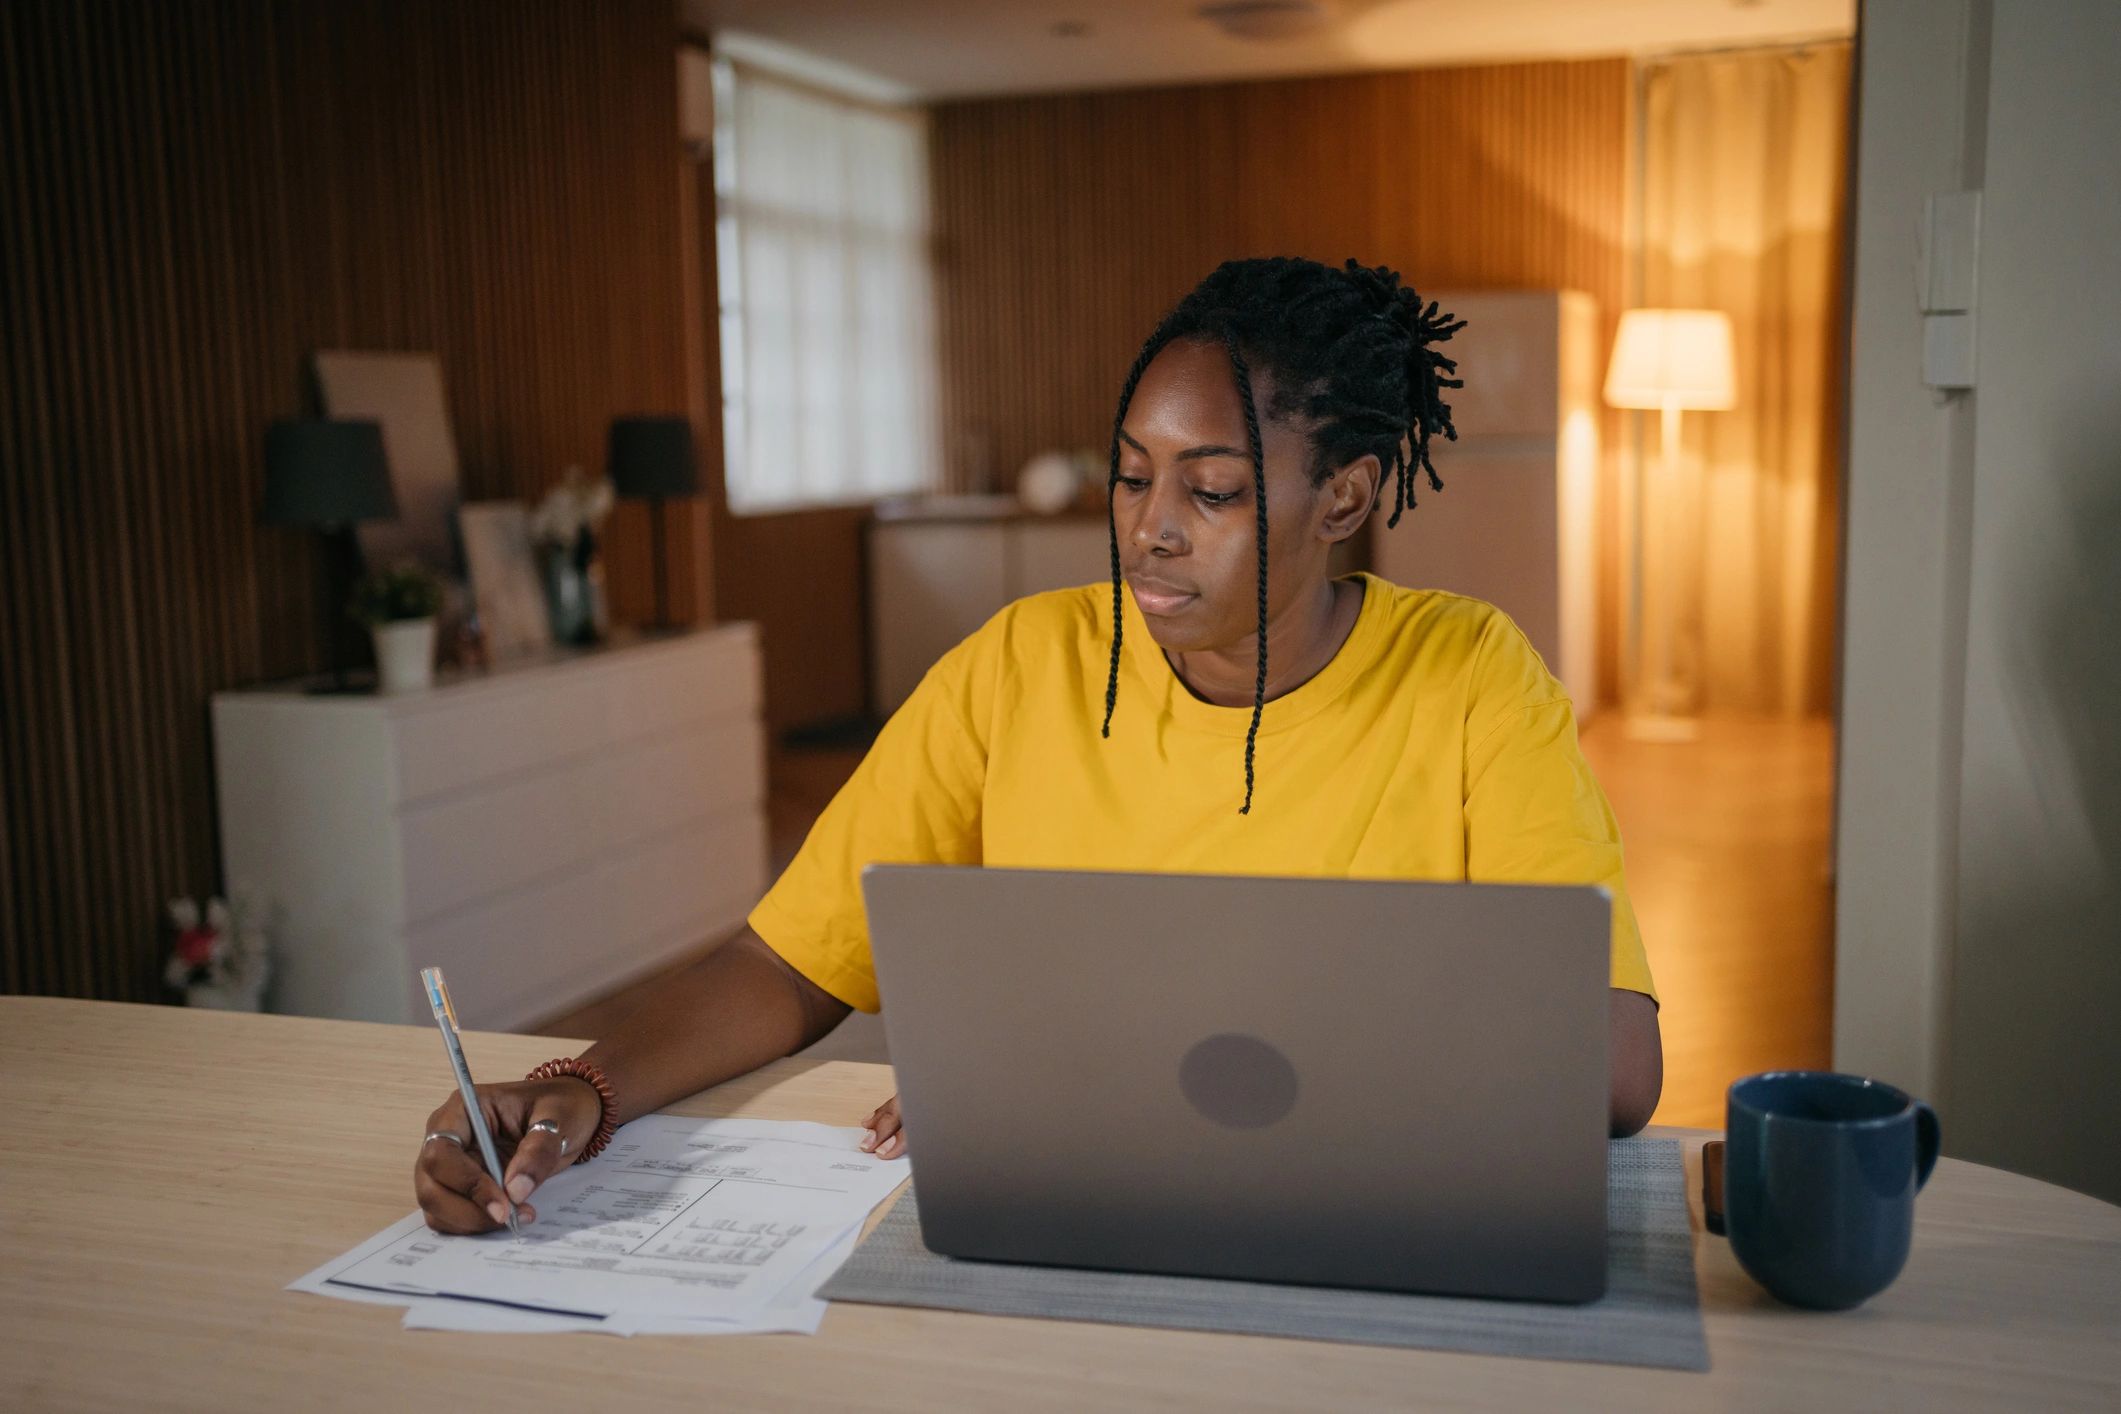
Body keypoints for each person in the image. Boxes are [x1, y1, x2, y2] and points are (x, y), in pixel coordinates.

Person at [413, 256, 1663, 1235]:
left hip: (1370, 1228)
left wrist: (1104, 1075)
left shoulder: (1471, 677)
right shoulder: (1023, 665)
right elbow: (787, 963)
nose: (1151, 531)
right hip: (1066, 1222)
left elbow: (1611, 1065)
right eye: (1131, 479)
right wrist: (588, 1085)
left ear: (1344, 496)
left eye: (1211, 490)